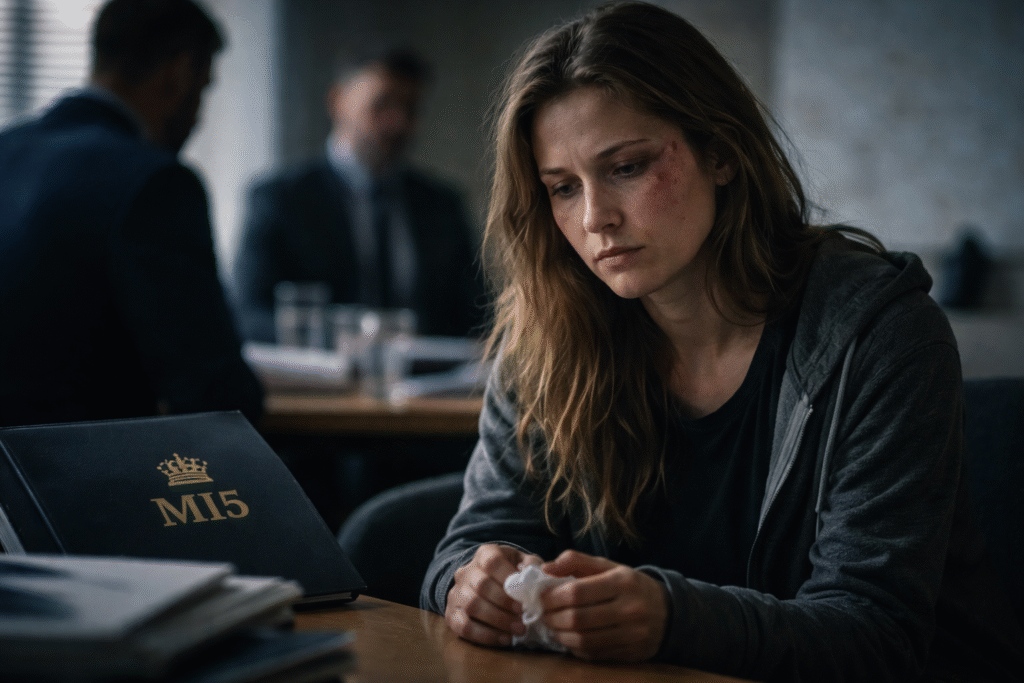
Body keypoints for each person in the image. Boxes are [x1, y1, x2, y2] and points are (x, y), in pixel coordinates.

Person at [421, 3, 1024, 681]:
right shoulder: (549, 336)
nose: (595, 218)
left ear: (723, 153)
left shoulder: (881, 335)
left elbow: (876, 633)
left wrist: (673, 618)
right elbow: (472, 545)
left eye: (626, 167)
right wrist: (469, 584)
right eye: (562, 188)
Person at [0, 0, 264, 427]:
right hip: (77, 479)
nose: (200, 113)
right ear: (179, 74)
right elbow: (214, 392)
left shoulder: (6, 150)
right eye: (205, 87)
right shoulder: (154, 183)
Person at [232, 45, 485, 342]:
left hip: (430, 383)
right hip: (320, 384)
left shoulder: (442, 205)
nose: (398, 122)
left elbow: (479, 315)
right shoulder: (280, 200)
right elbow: (247, 314)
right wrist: (345, 340)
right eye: (382, 105)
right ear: (337, 102)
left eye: (410, 109)